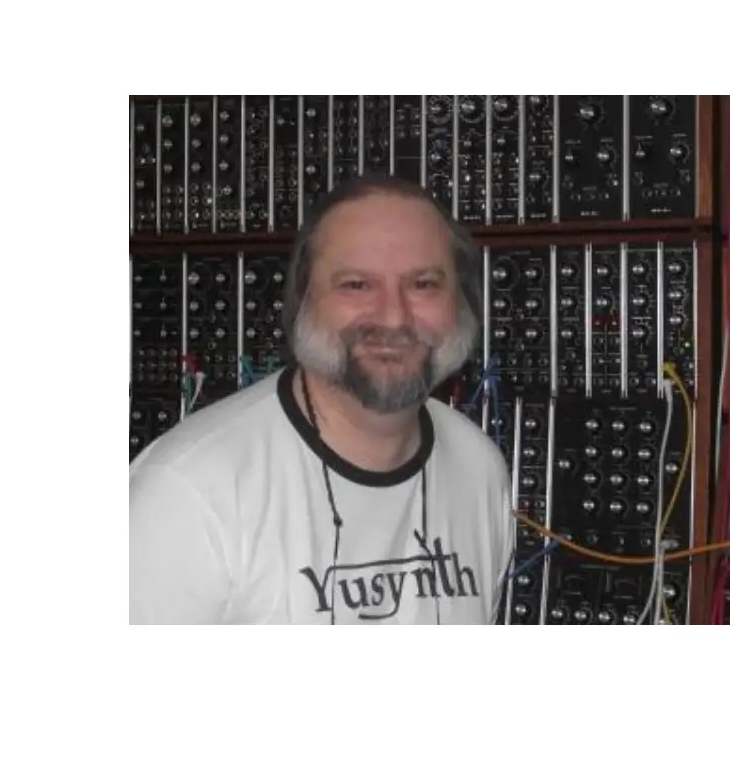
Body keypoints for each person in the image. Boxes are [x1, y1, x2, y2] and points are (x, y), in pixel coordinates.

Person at [129, 175, 514, 624]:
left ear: (462, 302)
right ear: (302, 300)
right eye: (356, 285)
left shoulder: (479, 469)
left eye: (424, 284)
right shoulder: (187, 495)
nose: (394, 317)